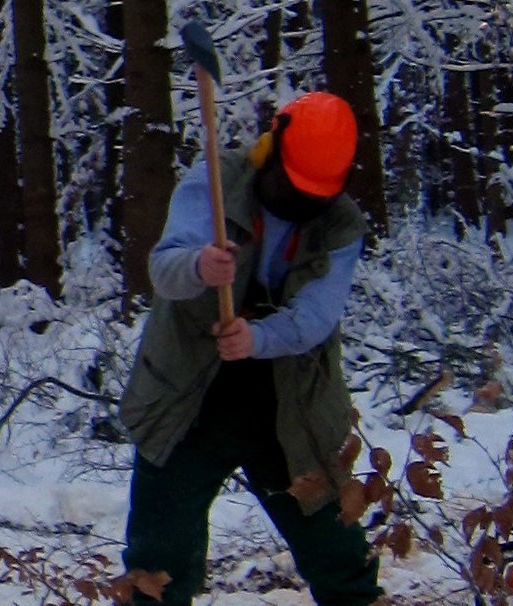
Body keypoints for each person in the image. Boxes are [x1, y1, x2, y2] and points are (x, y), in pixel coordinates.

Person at [117, 91, 382, 606]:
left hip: (291, 405)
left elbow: (316, 317)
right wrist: (200, 266)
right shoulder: (214, 181)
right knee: (157, 561)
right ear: (270, 152)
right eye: (293, 188)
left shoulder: (343, 225)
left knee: (338, 552)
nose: (302, 204)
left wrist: (257, 338)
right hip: (188, 396)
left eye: (316, 196)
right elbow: (164, 270)